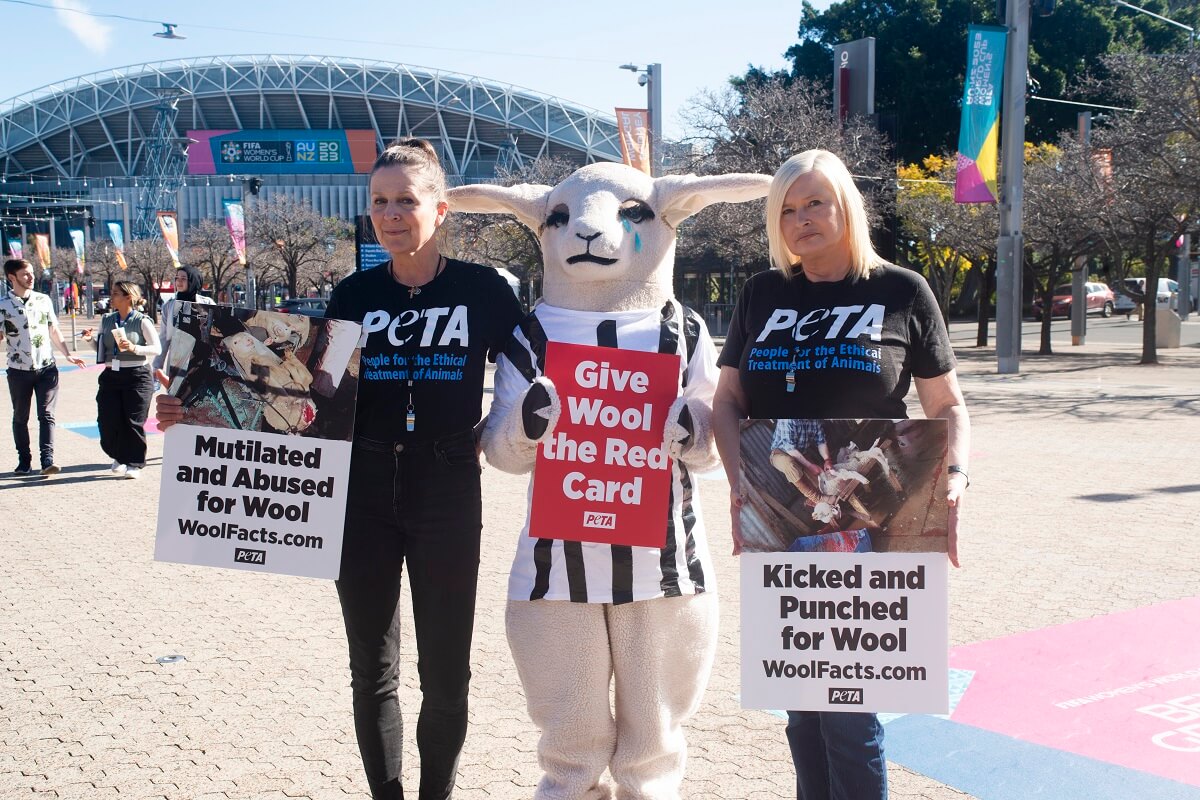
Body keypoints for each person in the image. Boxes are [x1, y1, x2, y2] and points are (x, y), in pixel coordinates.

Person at [154, 138, 524, 799]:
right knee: (372, 672)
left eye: (406, 201)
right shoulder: (352, 293)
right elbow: (304, 399)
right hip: (360, 493)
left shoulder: (483, 290)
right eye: (378, 202)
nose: (390, 214)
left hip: (447, 490)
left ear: (441, 210)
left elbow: (542, 365)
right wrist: (196, 408)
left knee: (447, 675)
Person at [712, 150, 971, 800]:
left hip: (873, 528)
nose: (802, 219)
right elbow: (728, 403)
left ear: (845, 206)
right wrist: (738, 483)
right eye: (788, 210)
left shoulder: (901, 290)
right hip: (785, 522)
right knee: (800, 710)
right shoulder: (761, 294)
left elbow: (947, 406)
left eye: (815, 203)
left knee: (850, 716)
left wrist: (955, 474)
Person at [1, 258, 86, 475]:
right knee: (21, 416)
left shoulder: (43, 300)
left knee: (46, 414)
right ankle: (24, 461)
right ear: (12, 278)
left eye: (31, 273)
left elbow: (54, 330)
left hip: (47, 368)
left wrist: (68, 354)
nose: (31, 277)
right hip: (18, 370)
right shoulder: (3, 306)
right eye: (25, 274)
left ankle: (47, 460)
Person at [82, 281, 161, 479]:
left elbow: (156, 348)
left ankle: (134, 463)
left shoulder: (142, 321)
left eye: (116, 293)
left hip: (137, 376)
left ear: (128, 297)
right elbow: (101, 349)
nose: (112, 297)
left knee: (133, 421)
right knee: (108, 421)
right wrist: (89, 340)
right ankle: (119, 455)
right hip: (111, 376)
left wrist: (135, 348)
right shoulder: (107, 319)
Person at [154, 265, 214, 379]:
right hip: (177, 360)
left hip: (201, 359)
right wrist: (157, 367)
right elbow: (164, 338)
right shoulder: (169, 306)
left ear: (193, 281)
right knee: (176, 394)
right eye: (177, 278)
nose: (178, 282)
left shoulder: (207, 303)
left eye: (183, 278)